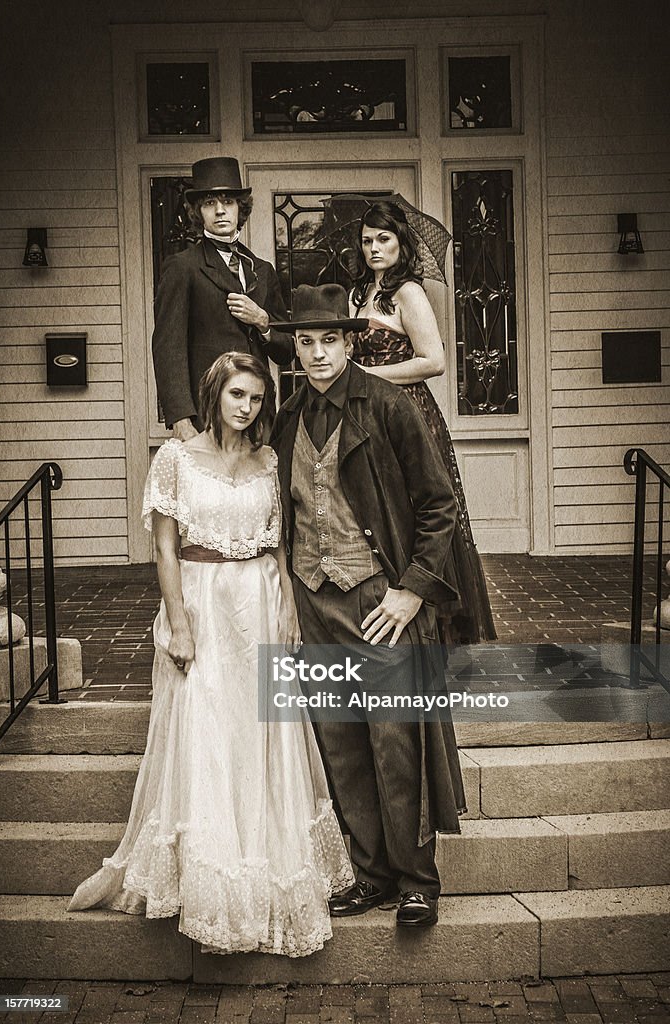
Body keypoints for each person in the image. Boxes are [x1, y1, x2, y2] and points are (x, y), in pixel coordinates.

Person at [69, 352, 353, 956]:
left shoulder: (268, 461)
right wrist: (179, 625)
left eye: (255, 398)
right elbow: (166, 553)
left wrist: (287, 612)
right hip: (200, 606)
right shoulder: (176, 459)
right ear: (213, 395)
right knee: (206, 736)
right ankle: (212, 894)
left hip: (258, 605)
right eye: (236, 396)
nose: (247, 408)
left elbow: (277, 547)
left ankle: (265, 880)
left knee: (258, 737)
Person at [270, 285, 466, 929]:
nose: (318, 352)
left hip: (379, 597)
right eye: (306, 340)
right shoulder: (288, 415)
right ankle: (371, 874)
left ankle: (416, 880)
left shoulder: (388, 405)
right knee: (342, 741)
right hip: (315, 597)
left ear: (351, 343)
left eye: (330, 339)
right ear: (294, 347)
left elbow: (440, 504)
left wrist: (411, 590)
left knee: (394, 740)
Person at [350, 200, 496, 644]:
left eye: (383, 239)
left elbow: (434, 361)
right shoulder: (360, 293)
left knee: (420, 508)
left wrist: (367, 375)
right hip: (367, 412)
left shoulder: (408, 292)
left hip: (408, 411)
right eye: (366, 241)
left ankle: (438, 623)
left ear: (400, 243)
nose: (374, 248)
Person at [152, 157, 294, 442]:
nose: (219, 211)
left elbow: (286, 351)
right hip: (207, 414)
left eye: (228, 202)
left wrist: (263, 322)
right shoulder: (183, 267)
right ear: (198, 212)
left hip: (258, 415)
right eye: (209, 203)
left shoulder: (262, 269)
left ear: (240, 209)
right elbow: (168, 346)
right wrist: (180, 418)